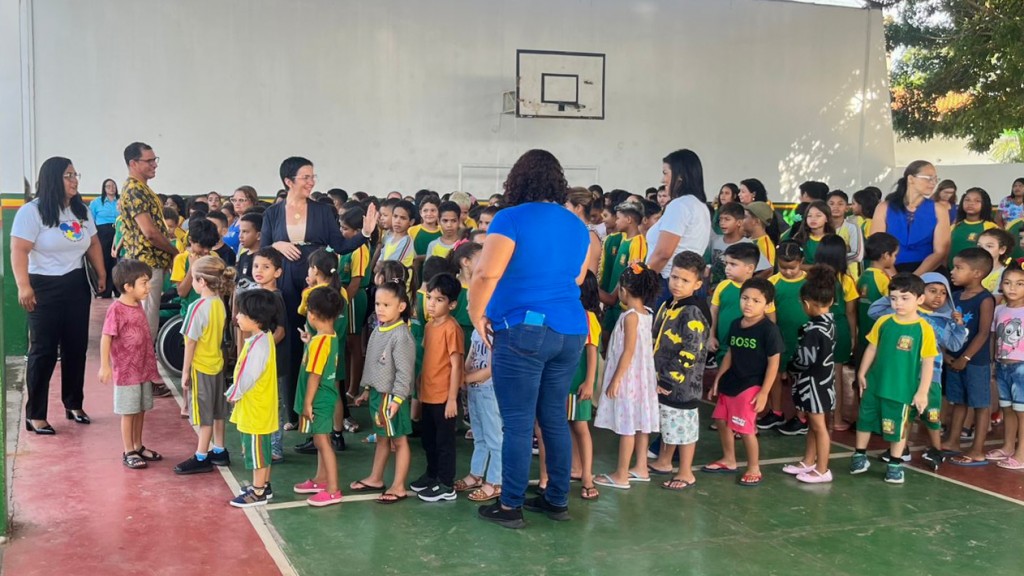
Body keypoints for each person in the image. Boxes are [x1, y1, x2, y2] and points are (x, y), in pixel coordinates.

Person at [470, 149, 589, 529]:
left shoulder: (510, 218)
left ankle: (510, 506)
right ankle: (556, 499)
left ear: (517, 179)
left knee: (518, 422)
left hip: (524, 329)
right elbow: (577, 277)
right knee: (553, 416)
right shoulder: (576, 225)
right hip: (571, 329)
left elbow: (486, 274)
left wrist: (476, 314)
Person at [261, 157, 376, 427]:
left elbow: (340, 245)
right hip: (286, 278)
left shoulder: (323, 211)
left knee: (322, 340)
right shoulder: (272, 213)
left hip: (319, 280)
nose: (311, 182)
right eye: (305, 177)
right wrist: (277, 245)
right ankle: (293, 412)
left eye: (313, 176)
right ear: (288, 181)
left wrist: (365, 234)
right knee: (291, 341)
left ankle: (333, 416)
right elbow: (263, 248)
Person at [11, 156, 106, 433]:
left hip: (76, 283)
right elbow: (19, 250)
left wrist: (101, 273)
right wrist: (23, 285)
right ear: (53, 178)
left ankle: (73, 403)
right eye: (68, 175)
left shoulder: (80, 210)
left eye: (76, 175)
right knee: (44, 351)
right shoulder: (32, 212)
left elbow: (93, 243)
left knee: (76, 347)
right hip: (43, 286)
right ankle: (35, 414)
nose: (74, 180)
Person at [868, 272, 967, 470]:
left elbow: (955, 345)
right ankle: (901, 449)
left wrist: (958, 325)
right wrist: (900, 293)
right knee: (904, 412)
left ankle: (936, 449)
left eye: (943, 293)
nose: (938, 296)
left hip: (931, 375)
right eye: (932, 291)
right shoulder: (901, 313)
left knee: (931, 414)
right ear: (920, 294)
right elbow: (874, 311)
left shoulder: (943, 320)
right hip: (904, 374)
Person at [851, 273, 936, 484]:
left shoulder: (924, 329)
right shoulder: (883, 321)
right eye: (894, 298)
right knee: (865, 419)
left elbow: (928, 362)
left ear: (920, 299)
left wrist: (922, 392)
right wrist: (861, 373)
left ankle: (895, 464)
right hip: (874, 383)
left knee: (897, 426)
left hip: (901, 389)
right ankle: (859, 455)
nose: (898, 303)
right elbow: (872, 348)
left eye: (905, 298)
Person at [704, 278, 783, 487]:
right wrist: (718, 379)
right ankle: (729, 459)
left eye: (756, 301)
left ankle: (754, 467)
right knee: (721, 421)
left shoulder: (769, 330)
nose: (749, 304)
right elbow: (730, 353)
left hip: (751, 385)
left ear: (767, 305)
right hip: (731, 381)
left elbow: (774, 363)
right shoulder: (735, 324)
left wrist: (764, 392)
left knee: (746, 428)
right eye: (745, 298)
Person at [593, 263, 662, 490]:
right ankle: (641, 467)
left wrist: (615, 379)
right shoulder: (647, 313)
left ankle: (621, 474)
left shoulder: (629, 317)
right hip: (643, 378)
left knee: (627, 426)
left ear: (624, 290)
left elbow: (628, 351)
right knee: (641, 424)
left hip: (629, 378)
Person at [351, 280, 416, 503]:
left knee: (399, 441)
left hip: (391, 397)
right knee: (382, 438)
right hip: (378, 395)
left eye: (386, 305)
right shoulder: (378, 330)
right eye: (378, 303)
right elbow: (374, 364)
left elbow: (404, 373)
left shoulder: (401, 335)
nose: (380, 308)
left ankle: (398, 486)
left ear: (401, 307)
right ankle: (376, 478)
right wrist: (366, 389)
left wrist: (397, 399)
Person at [649, 252, 710, 491]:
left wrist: (668, 378)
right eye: (674, 277)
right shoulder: (669, 304)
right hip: (664, 377)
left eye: (685, 280)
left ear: (697, 284)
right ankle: (664, 461)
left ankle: (685, 472)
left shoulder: (692, 311)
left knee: (683, 426)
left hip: (682, 383)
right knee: (669, 421)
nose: (677, 284)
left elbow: (691, 351)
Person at [98, 259, 163, 468]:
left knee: (141, 409)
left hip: (143, 369)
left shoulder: (137, 304)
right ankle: (129, 450)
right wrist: (105, 365)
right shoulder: (116, 309)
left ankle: (138, 445)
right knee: (129, 411)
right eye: (144, 283)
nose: (148, 287)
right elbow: (106, 337)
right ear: (128, 286)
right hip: (127, 372)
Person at [173, 256, 234, 474]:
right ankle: (220, 450)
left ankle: (201, 455)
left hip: (201, 367)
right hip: (217, 364)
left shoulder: (196, 307)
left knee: (204, 414)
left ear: (202, 281)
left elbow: (190, 342)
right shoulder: (219, 303)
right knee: (218, 411)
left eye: (193, 278)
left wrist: (185, 371)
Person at [118, 143, 178, 357]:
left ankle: (141, 366)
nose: (154, 164)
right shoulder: (135, 190)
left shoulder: (141, 188)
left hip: (148, 264)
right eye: (149, 160)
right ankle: (140, 368)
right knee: (145, 322)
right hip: (146, 265)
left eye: (155, 160)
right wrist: (174, 252)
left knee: (145, 320)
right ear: (133, 163)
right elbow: (149, 232)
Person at [781, 266, 836, 483]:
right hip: (824, 381)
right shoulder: (830, 323)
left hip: (813, 384)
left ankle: (822, 469)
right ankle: (809, 461)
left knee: (818, 426)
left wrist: (790, 368)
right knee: (814, 424)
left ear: (806, 303)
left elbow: (804, 359)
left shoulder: (813, 330)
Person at [413, 273, 465, 503]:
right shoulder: (429, 326)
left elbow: (456, 366)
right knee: (429, 439)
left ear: (452, 304)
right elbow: (428, 358)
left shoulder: (452, 329)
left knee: (444, 443)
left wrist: (452, 398)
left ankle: (446, 484)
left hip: (444, 397)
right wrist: (419, 382)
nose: (432, 304)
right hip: (428, 393)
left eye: (439, 299)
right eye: (429, 298)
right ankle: (432, 474)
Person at [227, 290, 281, 507]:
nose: (237, 317)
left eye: (242, 313)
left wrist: (233, 393)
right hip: (261, 406)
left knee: (256, 452)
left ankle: (258, 492)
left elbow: (247, 376)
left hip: (255, 408)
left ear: (257, 319)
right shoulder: (263, 338)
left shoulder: (258, 346)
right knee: (262, 449)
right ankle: (263, 485)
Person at [291, 287, 344, 506]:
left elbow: (315, 375)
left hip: (319, 398)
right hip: (325, 396)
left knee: (322, 441)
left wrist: (307, 402)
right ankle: (321, 479)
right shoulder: (327, 337)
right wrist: (309, 341)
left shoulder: (320, 342)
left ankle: (332, 489)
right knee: (320, 439)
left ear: (312, 315)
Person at [943, 247, 996, 465]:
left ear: (977, 273)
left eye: (959, 268)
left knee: (980, 405)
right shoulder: (955, 296)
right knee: (958, 401)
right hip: (955, 360)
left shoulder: (985, 299)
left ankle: (977, 450)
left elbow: (983, 333)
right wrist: (947, 353)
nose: (952, 272)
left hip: (975, 362)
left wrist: (965, 358)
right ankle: (953, 441)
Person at [646, 149, 712, 307]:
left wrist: (643, 281)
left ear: (680, 175)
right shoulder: (699, 205)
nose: (663, 180)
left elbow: (663, 253)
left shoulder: (680, 205)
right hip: (688, 282)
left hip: (669, 284)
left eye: (665, 173)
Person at [760, 242, 809, 434]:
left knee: (801, 378)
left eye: (792, 268)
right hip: (780, 337)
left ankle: (801, 417)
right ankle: (776, 411)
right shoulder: (772, 283)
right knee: (774, 375)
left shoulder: (809, 283)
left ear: (801, 262)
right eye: (783, 267)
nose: (788, 272)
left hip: (804, 339)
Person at [871, 160, 951, 275]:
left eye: (935, 179)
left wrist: (914, 278)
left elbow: (940, 252)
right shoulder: (884, 207)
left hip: (928, 271)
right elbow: (877, 248)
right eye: (928, 178)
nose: (933, 183)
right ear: (911, 179)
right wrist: (895, 278)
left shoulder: (939, 210)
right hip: (889, 269)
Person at [813, 235, 860, 432]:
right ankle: (837, 418)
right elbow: (850, 312)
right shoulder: (846, 280)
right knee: (837, 375)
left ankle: (813, 416)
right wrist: (853, 337)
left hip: (816, 326)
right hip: (838, 328)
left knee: (814, 373)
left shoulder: (811, 278)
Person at [709, 243, 767, 365]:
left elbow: (770, 317)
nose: (727, 268)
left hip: (750, 348)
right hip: (723, 347)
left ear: (750, 268)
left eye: (733, 264)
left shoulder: (761, 290)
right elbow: (714, 311)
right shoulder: (722, 286)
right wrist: (711, 336)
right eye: (726, 263)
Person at [990, 264, 1024, 470]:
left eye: (1020, 284)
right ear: (1001, 285)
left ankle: (1022, 454)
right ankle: (1008, 446)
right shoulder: (999, 310)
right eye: (1008, 283)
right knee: (1007, 409)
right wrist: (993, 362)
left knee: (1022, 412)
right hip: (1002, 365)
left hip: (1021, 367)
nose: (1013, 288)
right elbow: (994, 337)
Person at [599, 201, 648, 338]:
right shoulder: (624, 238)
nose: (616, 222)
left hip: (622, 304)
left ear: (629, 220)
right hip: (613, 299)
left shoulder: (638, 242)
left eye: (619, 218)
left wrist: (616, 296)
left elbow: (633, 273)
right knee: (605, 335)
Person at [707, 202, 770, 287]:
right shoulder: (714, 241)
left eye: (727, 219)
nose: (722, 222)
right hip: (715, 289)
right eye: (721, 219)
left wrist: (747, 285)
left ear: (739, 222)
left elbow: (767, 270)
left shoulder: (747, 245)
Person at [857, 233, 899, 360]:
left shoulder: (863, 276)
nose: (895, 259)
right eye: (895, 255)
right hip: (878, 334)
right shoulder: (883, 278)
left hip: (863, 331)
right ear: (886, 255)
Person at [948, 187, 997, 270]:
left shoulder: (991, 227)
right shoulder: (954, 226)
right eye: (967, 200)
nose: (971, 203)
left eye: (977, 201)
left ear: (984, 204)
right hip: (952, 272)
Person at [90, 178, 120, 297]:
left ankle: (118, 289)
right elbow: (91, 219)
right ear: (104, 188)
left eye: (113, 186)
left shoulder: (121, 201)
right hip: (103, 232)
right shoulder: (97, 202)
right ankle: (105, 290)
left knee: (118, 260)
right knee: (105, 260)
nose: (111, 188)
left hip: (118, 231)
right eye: (108, 186)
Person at [565, 187, 602, 274]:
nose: (563, 211)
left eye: (566, 206)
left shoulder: (590, 236)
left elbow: (591, 273)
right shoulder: (576, 231)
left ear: (578, 208)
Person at [978, 228, 1013, 296]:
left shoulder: (1004, 274)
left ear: (1002, 249)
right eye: (979, 246)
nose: (982, 249)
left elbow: (996, 299)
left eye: (989, 246)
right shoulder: (972, 269)